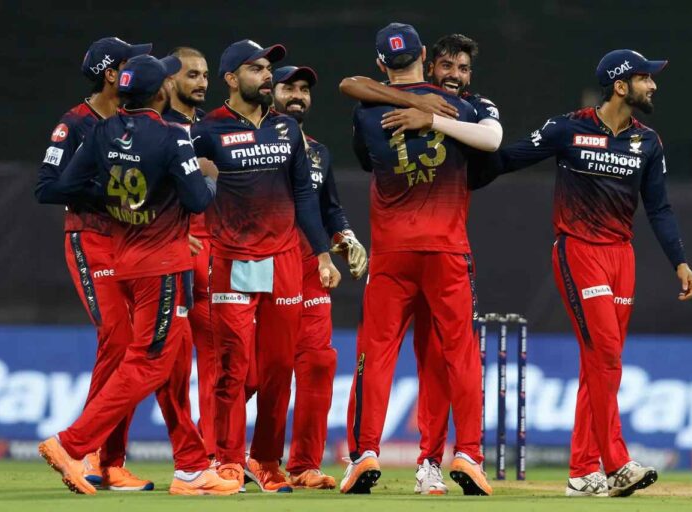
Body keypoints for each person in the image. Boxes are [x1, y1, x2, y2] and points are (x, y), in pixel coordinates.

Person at [482, 49, 692, 497]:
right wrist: (459, 164)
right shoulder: (567, 128)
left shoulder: (648, 142)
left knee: (602, 364)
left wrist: (679, 260)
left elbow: (659, 208)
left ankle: (583, 472)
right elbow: (509, 158)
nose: (653, 85)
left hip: (622, 257)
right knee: (605, 354)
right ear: (620, 86)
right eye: (645, 78)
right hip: (579, 250)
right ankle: (616, 463)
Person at [37, 54, 239, 496]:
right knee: (148, 361)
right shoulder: (172, 136)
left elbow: (65, 186)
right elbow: (198, 201)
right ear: (161, 91)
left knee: (174, 361)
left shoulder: (102, 131)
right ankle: (72, 444)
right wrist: (209, 177)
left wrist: (125, 201)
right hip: (163, 266)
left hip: (126, 258)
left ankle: (191, 468)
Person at [339, 33, 501, 495]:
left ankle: (364, 453)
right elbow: (492, 144)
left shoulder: (367, 112)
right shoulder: (464, 108)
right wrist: (432, 113)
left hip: (392, 253)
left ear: (381, 63)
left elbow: (365, 155)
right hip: (447, 251)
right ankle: (467, 454)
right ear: (426, 59)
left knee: (375, 354)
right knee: (457, 356)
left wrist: (418, 111)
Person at [190, 39, 340, 492]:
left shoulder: (286, 129)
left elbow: (305, 197)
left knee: (277, 368)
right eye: (256, 68)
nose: (267, 75)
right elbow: (180, 184)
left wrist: (322, 254)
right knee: (233, 366)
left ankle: (267, 460)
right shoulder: (206, 130)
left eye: (267, 68)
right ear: (231, 78)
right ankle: (227, 460)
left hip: (285, 261)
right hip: (232, 258)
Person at [35, 36, 154, 492]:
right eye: (130, 61)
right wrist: (104, 190)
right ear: (111, 74)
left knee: (133, 347)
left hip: (133, 241)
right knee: (118, 338)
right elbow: (46, 187)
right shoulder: (75, 123)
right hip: (92, 240)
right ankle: (86, 451)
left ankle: (111, 462)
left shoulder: (136, 121)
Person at [263, 64, 367, 490]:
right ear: (270, 92)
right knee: (262, 368)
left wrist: (347, 237)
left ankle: (303, 464)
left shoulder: (318, 153)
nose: (298, 95)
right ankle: (234, 457)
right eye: (289, 87)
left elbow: (329, 209)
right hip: (262, 264)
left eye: (304, 89)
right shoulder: (252, 142)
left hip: (310, 266)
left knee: (319, 362)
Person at [163, 46, 216, 461]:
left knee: (224, 360)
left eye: (204, 75)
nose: (201, 82)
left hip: (215, 253)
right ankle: (104, 455)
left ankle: (212, 455)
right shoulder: (156, 128)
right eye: (191, 74)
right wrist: (170, 235)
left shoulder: (211, 129)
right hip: (170, 254)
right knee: (166, 361)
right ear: (169, 81)